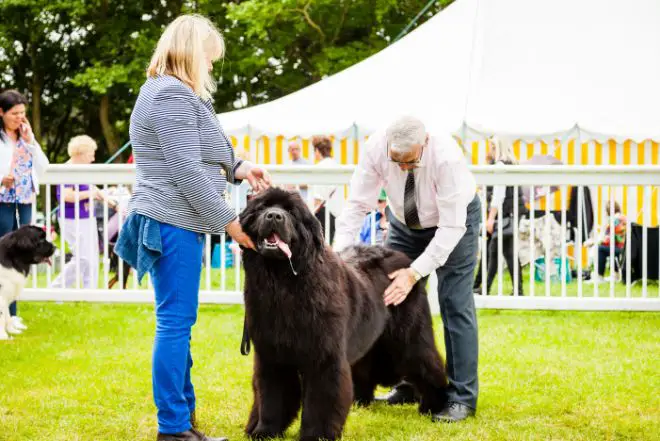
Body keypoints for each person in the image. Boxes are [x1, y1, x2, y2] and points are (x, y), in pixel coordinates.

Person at [114, 14, 271, 441]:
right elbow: (184, 170)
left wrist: (239, 168)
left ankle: (182, 421)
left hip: (173, 219)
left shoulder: (177, 94)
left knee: (178, 321)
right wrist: (231, 223)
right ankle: (174, 428)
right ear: (191, 53)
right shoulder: (169, 95)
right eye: (209, 58)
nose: (211, 67)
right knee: (175, 323)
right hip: (169, 221)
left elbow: (200, 151)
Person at [334, 115, 480, 423]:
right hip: (404, 221)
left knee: (455, 303)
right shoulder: (374, 147)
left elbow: (452, 227)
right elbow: (358, 204)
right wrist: (339, 258)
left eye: (410, 163)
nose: (402, 168)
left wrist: (414, 273)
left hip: (454, 223)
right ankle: (408, 384)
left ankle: (461, 397)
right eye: (396, 161)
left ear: (424, 144)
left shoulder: (447, 158)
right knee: (392, 302)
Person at [0, 89, 49, 331]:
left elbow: (43, 167)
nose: (19, 118)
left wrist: (30, 142)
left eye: (23, 113)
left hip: (24, 199)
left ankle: (12, 314)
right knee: (3, 254)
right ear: (1, 112)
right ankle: (3, 314)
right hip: (3, 200)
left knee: (23, 253)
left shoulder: (25, 138)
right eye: (14, 113)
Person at [51, 135, 114, 289]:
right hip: (71, 218)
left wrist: (113, 202)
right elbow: (66, 196)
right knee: (83, 258)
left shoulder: (83, 169)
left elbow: (93, 189)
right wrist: (90, 195)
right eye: (91, 154)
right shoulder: (67, 170)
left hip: (87, 217)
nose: (93, 158)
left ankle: (90, 293)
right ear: (81, 153)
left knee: (92, 258)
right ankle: (56, 288)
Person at [473, 136, 527, 295]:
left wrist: (490, 218)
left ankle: (484, 288)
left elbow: (499, 195)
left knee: (494, 250)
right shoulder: (510, 164)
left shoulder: (500, 165)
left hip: (504, 214)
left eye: (492, 147)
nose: (489, 150)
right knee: (507, 253)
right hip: (511, 213)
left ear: (497, 148)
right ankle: (517, 289)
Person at [312, 135, 342, 243]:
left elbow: (318, 198)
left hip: (323, 213)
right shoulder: (337, 165)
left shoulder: (319, 167)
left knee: (320, 247)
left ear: (317, 150)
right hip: (336, 212)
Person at [592, 201, 626, 283]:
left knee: (600, 249)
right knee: (610, 248)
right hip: (626, 249)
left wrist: (592, 242)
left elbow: (607, 240)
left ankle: (599, 277)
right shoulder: (623, 217)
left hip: (621, 249)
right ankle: (615, 275)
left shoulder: (613, 220)